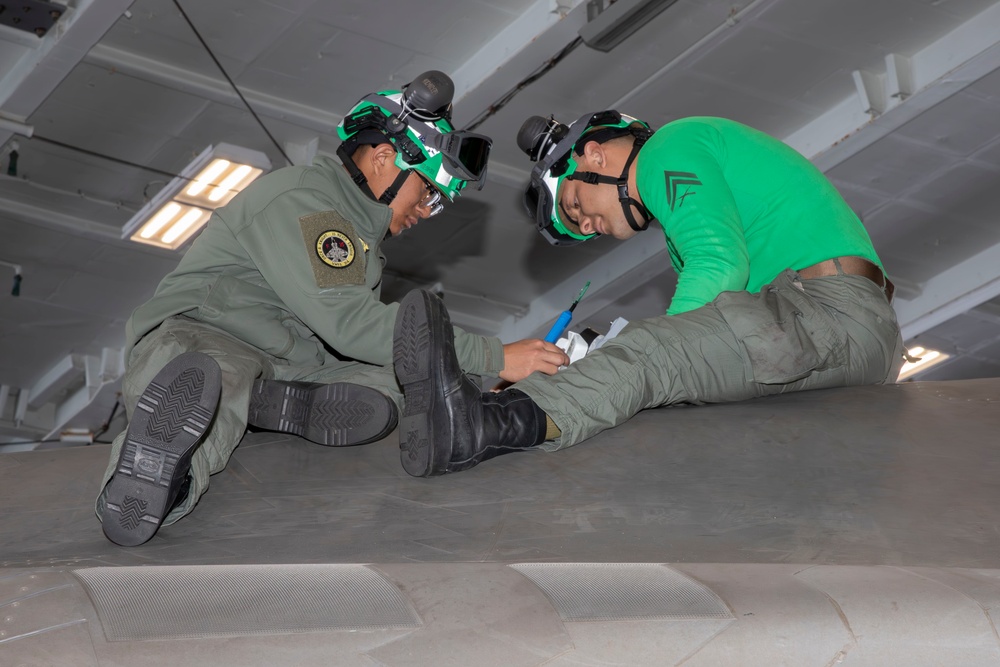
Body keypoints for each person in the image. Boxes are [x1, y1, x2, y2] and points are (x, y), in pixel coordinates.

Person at [96, 71, 569, 547]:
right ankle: (154, 487)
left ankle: (267, 407)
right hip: (211, 337)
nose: (426, 210)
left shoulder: (358, 236)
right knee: (216, 387)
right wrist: (495, 356)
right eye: (428, 192)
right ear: (384, 159)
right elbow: (349, 324)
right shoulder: (308, 200)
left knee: (406, 390)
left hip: (290, 365)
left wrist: (456, 383)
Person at [391, 111, 905, 477]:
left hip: (832, 315)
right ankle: (528, 413)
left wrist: (635, 349)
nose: (588, 226)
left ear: (592, 152)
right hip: (829, 330)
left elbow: (720, 266)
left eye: (574, 207)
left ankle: (483, 423)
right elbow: (723, 328)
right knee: (653, 375)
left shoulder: (670, 149)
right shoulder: (694, 200)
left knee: (650, 354)